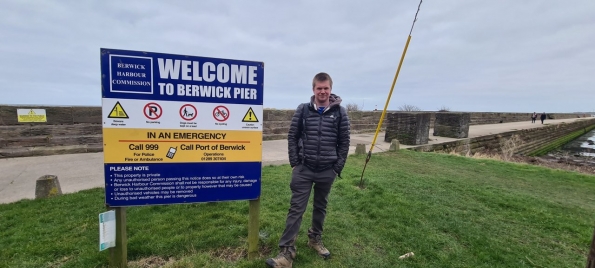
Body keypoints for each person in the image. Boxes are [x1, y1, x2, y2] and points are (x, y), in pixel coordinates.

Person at [266, 72, 350, 267]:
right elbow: (292, 136)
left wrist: (336, 168)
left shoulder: (340, 112)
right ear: (313, 89)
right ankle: (287, 252)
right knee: (296, 209)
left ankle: (315, 238)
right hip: (304, 168)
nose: (322, 91)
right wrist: (295, 162)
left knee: (320, 207)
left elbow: (344, 142)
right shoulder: (303, 110)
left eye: (326, 88)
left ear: (330, 89)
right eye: (319, 88)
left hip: (327, 170)